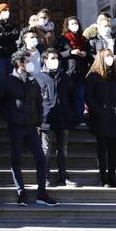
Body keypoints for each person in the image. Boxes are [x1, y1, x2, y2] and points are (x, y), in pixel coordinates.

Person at [0, 51, 60, 206]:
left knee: (41, 159)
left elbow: (39, 101)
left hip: (31, 127)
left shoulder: (33, 81)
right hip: (16, 127)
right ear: (19, 63)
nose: (31, 63)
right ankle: (21, 192)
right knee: (16, 159)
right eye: (27, 61)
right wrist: (10, 117)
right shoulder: (8, 81)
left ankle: (42, 193)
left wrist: (38, 120)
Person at [85, 48, 116, 187]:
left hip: (114, 116)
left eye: (111, 56)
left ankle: (112, 177)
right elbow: (89, 97)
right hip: (100, 117)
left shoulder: (115, 76)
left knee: (113, 149)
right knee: (102, 149)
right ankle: (103, 178)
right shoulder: (93, 76)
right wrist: (98, 111)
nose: (110, 58)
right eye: (107, 56)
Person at [40, 48, 77, 187]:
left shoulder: (65, 77)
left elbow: (71, 96)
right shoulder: (39, 77)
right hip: (46, 119)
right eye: (52, 58)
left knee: (63, 149)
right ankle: (45, 176)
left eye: (57, 58)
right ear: (45, 60)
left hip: (63, 118)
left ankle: (63, 176)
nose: (55, 61)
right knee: (46, 150)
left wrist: (71, 114)